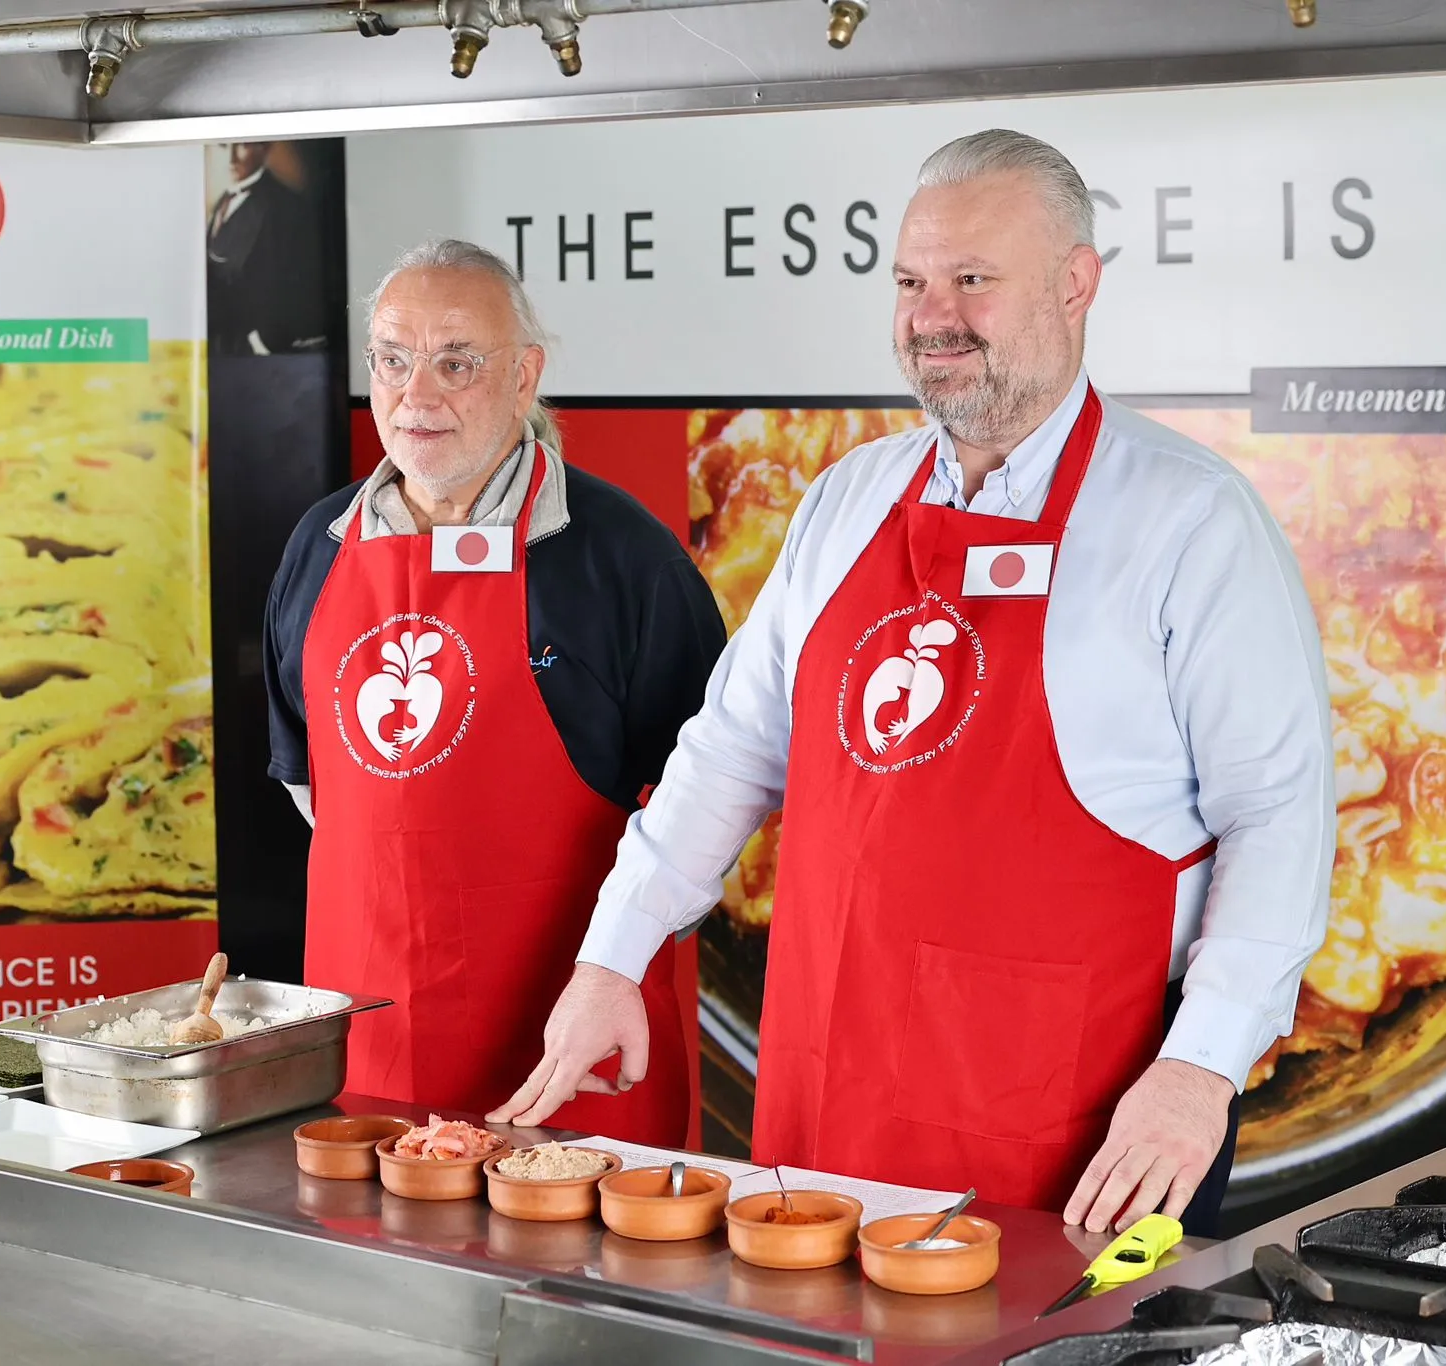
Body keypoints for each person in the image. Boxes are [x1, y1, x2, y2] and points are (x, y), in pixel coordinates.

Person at [491, 131, 1333, 1235]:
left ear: (1075, 285)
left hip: (1077, 1118)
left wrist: (1201, 1069)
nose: (931, 316)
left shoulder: (1189, 518)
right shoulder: (848, 497)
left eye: (971, 280)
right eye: (908, 281)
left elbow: (1275, 813)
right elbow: (732, 748)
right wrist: (614, 952)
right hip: (832, 1086)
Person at [265, 239, 724, 1144]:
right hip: (372, 1057)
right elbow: (313, 790)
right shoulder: (316, 547)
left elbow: (709, 813)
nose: (417, 393)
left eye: (457, 361)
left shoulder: (627, 560)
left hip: (573, 1059)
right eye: (393, 360)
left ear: (526, 376)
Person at [207, 142, 325, 356]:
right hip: (221, 344)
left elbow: (298, 282)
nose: (232, 157)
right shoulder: (224, 200)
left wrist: (262, 341)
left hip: (259, 351)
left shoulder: (285, 205)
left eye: (242, 146)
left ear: (264, 149)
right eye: (224, 146)